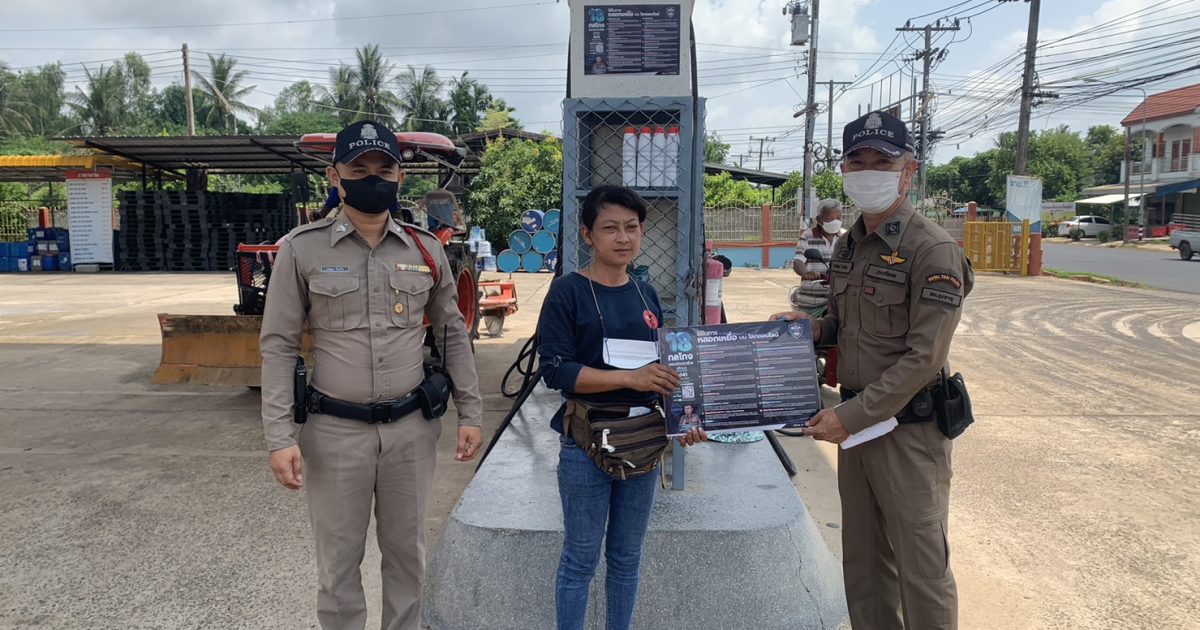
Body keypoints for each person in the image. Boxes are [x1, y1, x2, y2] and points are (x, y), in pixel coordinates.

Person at [259, 120, 484, 630]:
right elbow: (278, 345)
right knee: (338, 567)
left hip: (410, 432)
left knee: (408, 559)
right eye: (359, 169)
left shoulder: (425, 249)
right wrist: (279, 436)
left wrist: (471, 412)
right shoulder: (302, 249)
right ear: (335, 176)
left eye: (384, 168)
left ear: (400, 176)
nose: (373, 178)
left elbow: (452, 333)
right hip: (335, 433)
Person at [772, 110, 974, 630]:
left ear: (908, 171)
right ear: (843, 170)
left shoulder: (932, 249)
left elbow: (924, 358)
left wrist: (849, 417)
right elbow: (844, 325)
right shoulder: (848, 245)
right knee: (864, 562)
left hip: (909, 430)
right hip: (858, 426)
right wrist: (809, 329)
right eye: (857, 161)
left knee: (921, 568)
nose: (868, 172)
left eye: (882, 162)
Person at [538, 185, 706, 630]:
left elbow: (662, 375)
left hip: (643, 444)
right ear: (588, 235)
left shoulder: (646, 295)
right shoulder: (568, 293)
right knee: (580, 559)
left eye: (632, 227)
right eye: (610, 228)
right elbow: (555, 370)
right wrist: (629, 378)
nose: (623, 237)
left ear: (642, 232)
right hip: (586, 445)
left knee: (627, 558)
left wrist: (686, 419)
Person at [792, 198, 845, 279]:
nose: (835, 222)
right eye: (829, 218)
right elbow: (798, 261)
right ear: (819, 219)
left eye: (838, 218)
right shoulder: (807, 236)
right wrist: (806, 273)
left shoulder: (845, 237)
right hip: (814, 285)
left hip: (839, 285)